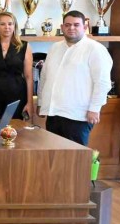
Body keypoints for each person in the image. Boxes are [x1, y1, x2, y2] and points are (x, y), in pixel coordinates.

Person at [38, 10, 113, 146]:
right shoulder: (54, 48)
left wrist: (95, 108)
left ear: (85, 27)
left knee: (75, 156)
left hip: (78, 116)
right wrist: (42, 103)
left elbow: (102, 82)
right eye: (67, 25)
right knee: (53, 155)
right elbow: (44, 77)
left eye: (76, 25)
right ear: (62, 27)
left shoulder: (95, 49)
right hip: (54, 114)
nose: (71, 28)